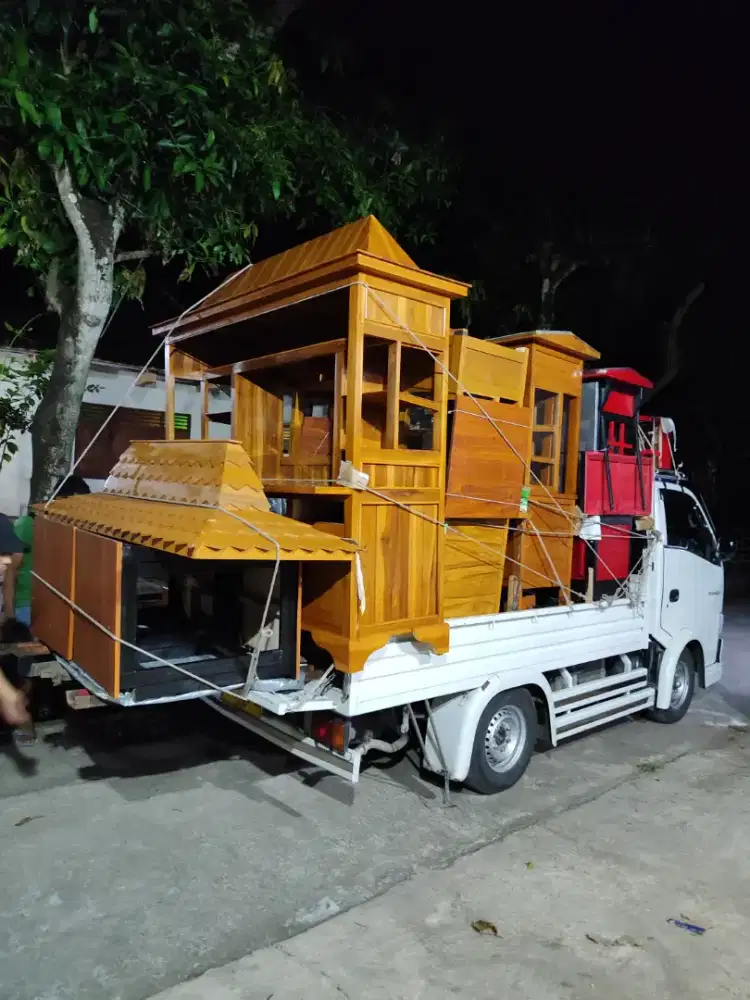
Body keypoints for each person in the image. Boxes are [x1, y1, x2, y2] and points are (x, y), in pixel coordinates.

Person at [8, 475, 91, 746]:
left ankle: (56, 711)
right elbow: (11, 570)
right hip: (26, 603)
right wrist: (9, 612)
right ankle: (24, 722)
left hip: (57, 604)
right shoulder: (28, 525)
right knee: (24, 667)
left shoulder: (71, 529)